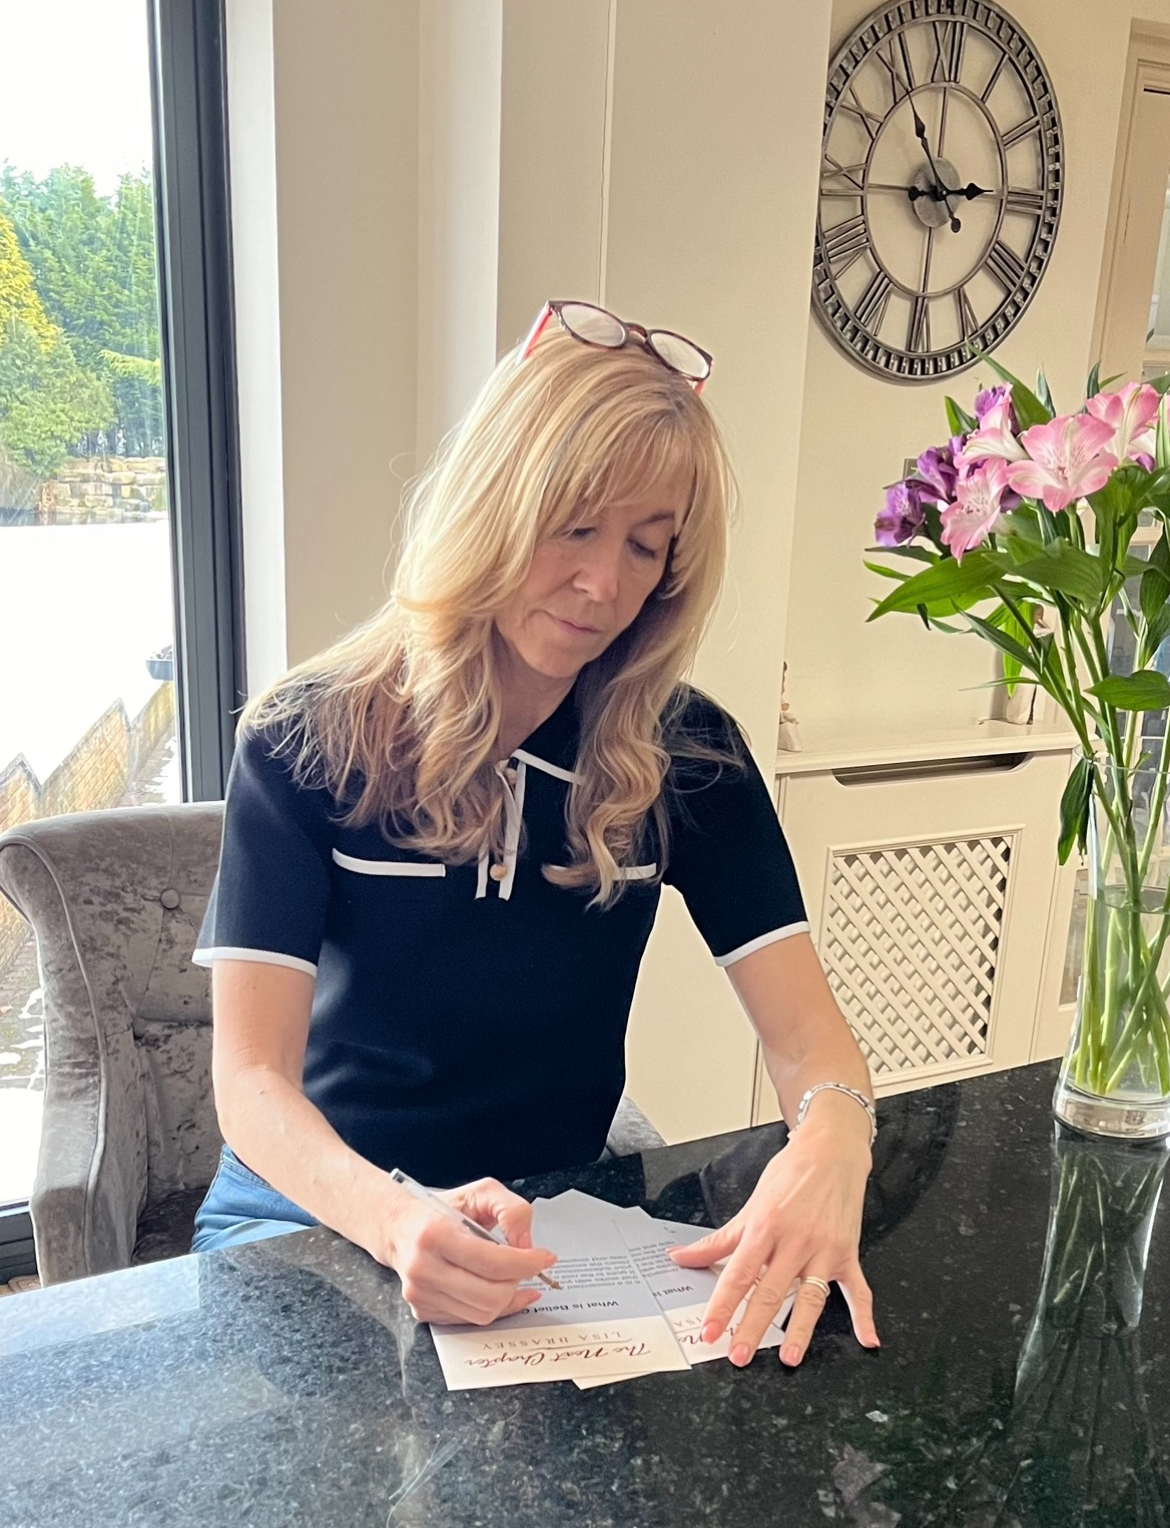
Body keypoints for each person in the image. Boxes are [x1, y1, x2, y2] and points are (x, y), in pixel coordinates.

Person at [190, 299, 879, 1370]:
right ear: (495, 504)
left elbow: (805, 1038)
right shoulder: (307, 736)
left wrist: (835, 1135)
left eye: (648, 547)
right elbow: (251, 1082)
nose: (606, 585)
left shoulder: (689, 755)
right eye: (576, 527)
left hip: (558, 1222)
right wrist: (391, 1216)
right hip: (316, 1210)